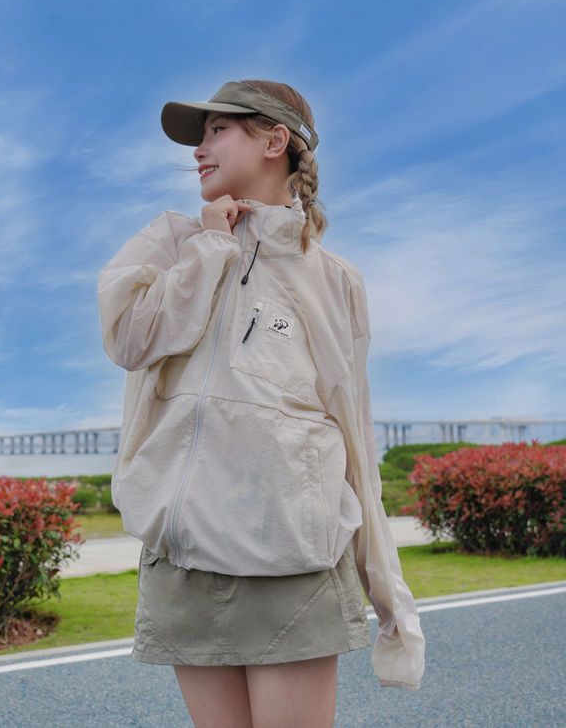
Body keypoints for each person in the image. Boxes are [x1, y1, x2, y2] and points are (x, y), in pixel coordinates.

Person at [98, 79, 425, 728]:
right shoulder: (169, 242)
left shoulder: (334, 280)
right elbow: (131, 340)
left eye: (218, 129)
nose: (200, 148)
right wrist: (211, 247)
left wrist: (387, 588)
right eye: (200, 134)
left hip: (293, 559)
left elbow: (353, 432)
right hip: (187, 556)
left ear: (275, 140)